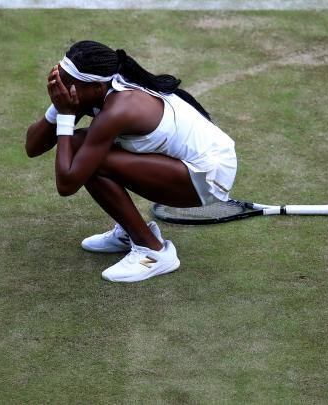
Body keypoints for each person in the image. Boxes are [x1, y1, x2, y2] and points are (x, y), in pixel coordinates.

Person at [25, 41, 237, 282]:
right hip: (187, 162)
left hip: (208, 176)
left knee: (92, 162)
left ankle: (153, 252)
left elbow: (67, 184)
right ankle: (130, 232)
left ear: (96, 87)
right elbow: (33, 147)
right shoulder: (95, 89)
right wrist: (57, 107)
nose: (61, 90)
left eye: (66, 85)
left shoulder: (119, 109)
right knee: (78, 146)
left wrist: (65, 114)